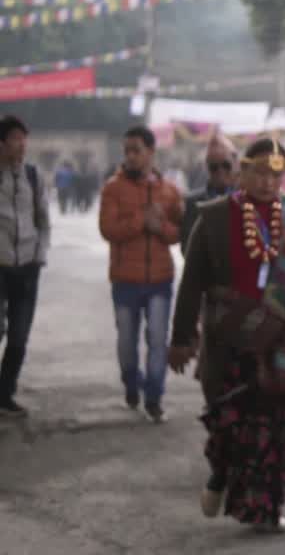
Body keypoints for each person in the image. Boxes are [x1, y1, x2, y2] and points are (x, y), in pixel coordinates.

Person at [168, 138, 285, 533]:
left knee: (281, 429)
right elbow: (191, 283)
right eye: (259, 171)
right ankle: (221, 473)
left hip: (284, 345)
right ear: (241, 170)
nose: (267, 181)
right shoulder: (213, 218)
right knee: (231, 427)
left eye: (275, 174)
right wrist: (181, 337)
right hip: (230, 344)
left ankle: (266, 509)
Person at [99, 126, 183, 423]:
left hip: (160, 279)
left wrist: (162, 228)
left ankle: (154, 397)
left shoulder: (170, 191)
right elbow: (108, 230)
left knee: (158, 340)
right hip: (125, 279)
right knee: (126, 343)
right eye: (127, 150)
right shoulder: (112, 188)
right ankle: (131, 383)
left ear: (151, 152)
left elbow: (179, 235)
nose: (130, 156)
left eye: (136, 150)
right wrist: (141, 221)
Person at [0, 116, 50, 417]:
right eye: (16, 138)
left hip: (28, 267)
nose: (22, 144)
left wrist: (39, 256)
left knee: (19, 336)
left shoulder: (33, 176)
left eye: (24, 138)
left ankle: (5, 393)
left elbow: (44, 221)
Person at [180, 135, 238, 255]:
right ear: (207, 168)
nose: (220, 171)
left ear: (235, 163)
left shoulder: (247, 198)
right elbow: (186, 247)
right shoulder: (192, 202)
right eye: (214, 167)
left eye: (226, 165)